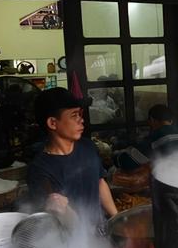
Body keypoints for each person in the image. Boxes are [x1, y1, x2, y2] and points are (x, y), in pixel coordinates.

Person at [27, 87, 117, 230]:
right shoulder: (39, 169)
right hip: (70, 242)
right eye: (74, 115)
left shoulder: (87, 147)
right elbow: (51, 213)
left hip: (101, 230)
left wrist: (117, 220)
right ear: (52, 123)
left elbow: (100, 183)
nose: (81, 120)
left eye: (80, 114)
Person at [113, 104, 178, 170]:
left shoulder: (157, 136)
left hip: (166, 179)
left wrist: (115, 157)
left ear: (152, 120)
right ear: (171, 121)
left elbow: (129, 161)